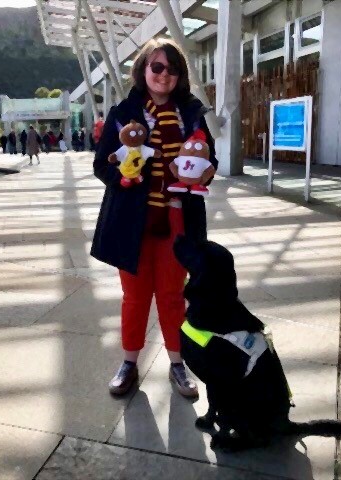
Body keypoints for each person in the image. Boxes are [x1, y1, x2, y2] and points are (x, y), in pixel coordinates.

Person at [90, 38, 218, 397]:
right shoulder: (122, 113)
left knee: (173, 295)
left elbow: (210, 160)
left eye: (173, 69)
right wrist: (123, 177)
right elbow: (102, 164)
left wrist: (205, 173)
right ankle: (129, 362)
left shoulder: (190, 113)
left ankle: (179, 365)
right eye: (157, 67)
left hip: (178, 218)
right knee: (134, 296)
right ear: (144, 69)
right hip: (132, 219)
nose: (165, 75)